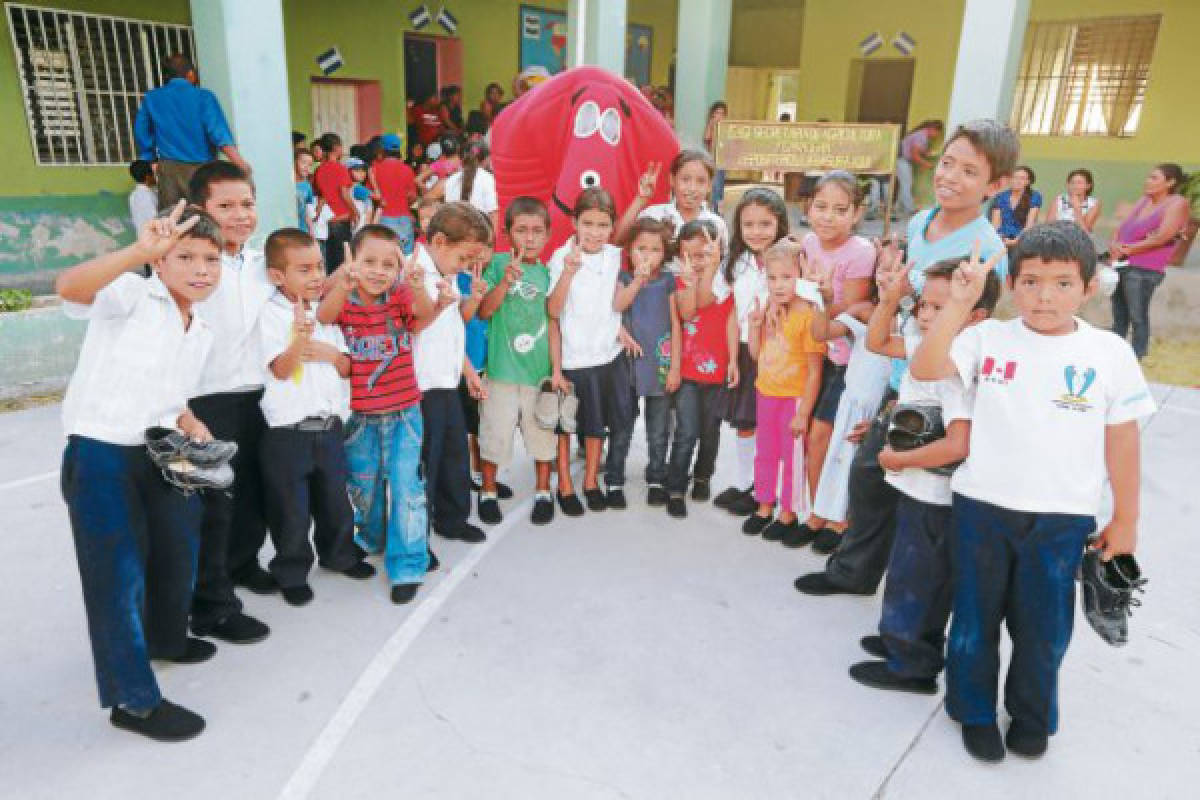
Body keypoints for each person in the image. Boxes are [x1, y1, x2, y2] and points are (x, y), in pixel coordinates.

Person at [910, 222, 1156, 762]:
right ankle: (973, 711)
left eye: (1063, 283)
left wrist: (1126, 521)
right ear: (1013, 284)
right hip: (981, 509)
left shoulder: (1109, 353)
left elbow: (1123, 442)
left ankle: (1032, 715)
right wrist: (959, 302)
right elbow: (926, 367)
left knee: (1045, 630)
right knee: (975, 620)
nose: (1045, 296)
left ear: (1090, 288)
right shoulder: (985, 338)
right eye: (1031, 282)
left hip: (1063, 519)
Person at [794, 118, 1015, 598]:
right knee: (870, 474)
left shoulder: (987, 249)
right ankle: (855, 573)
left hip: (941, 389)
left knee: (919, 497)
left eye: (969, 171)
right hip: (900, 372)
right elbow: (901, 304)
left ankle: (907, 601)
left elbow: (976, 327)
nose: (950, 176)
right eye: (947, 163)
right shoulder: (920, 222)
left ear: (995, 186)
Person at [56, 202, 222, 741]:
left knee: (177, 550)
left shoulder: (200, 326)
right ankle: (134, 700)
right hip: (102, 451)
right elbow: (69, 288)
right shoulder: (131, 294)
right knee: (116, 577)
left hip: (161, 451)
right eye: (186, 256)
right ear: (161, 258)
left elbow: (172, 395)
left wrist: (190, 419)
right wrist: (137, 253)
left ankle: (167, 638)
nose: (201, 269)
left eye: (212, 258)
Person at [848, 258, 998, 696]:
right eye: (923, 306)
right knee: (907, 571)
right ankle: (902, 637)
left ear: (974, 316)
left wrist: (900, 461)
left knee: (921, 579)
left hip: (936, 495)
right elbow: (876, 341)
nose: (926, 315)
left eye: (940, 307)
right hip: (917, 488)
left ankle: (911, 663)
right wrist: (891, 299)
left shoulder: (955, 370)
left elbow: (959, 445)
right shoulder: (928, 344)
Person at [317, 225, 440, 604]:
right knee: (364, 489)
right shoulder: (345, 301)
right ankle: (372, 538)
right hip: (359, 419)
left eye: (389, 263)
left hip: (404, 414)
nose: (378, 270)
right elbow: (323, 314)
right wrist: (343, 282)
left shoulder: (401, 295)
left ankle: (408, 562)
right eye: (368, 261)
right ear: (351, 260)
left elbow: (424, 314)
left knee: (406, 490)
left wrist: (416, 284)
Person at [257, 228, 375, 607]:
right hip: (288, 434)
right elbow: (279, 368)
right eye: (303, 269)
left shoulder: (325, 313)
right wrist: (300, 342)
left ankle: (338, 553)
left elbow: (346, 366)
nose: (315, 276)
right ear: (278, 276)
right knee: (291, 508)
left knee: (334, 500)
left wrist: (328, 352)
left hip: (329, 428)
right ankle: (291, 570)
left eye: (319, 267)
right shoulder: (270, 315)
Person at [186, 161, 274, 644]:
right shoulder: (192, 263)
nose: (239, 215)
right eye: (226, 206)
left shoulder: (262, 263)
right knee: (212, 501)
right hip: (204, 397)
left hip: (257, 393)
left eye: (247, 204)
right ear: (202, 209)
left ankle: (243, 564)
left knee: (252, 491)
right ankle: (211, 606)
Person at [794, 171, 876, 549]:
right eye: (821, 206)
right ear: (809, 207)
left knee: (828, 435)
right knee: (808, 435)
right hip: (813, 353)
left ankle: (837, 518)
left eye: (840, 209)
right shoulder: (809, 242)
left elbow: (854, 309)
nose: (828, 216)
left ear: (857, 213)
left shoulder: (861, 252)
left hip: (845, 359)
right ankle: (815, 509)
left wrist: (826, 297)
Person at [699, 188, 790, 517]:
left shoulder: (791, 260)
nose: (757, 232)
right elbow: (725, 308)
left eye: (765, 224)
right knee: (745, 423)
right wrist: (733, 360)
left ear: (780, 224)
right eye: (749, 224)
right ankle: (747, 483)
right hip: (742, 351)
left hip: (778, 353)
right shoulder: (735, 263)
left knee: (772, 424)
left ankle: (771, 490)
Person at [546, 188, 632, 514]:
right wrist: (568, 271)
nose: (595, 232)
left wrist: (639, 196)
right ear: (574, 223)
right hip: (572, 358)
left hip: (606, 357)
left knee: (597, 427)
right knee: (566, 427)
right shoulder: (561, 257)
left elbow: (610, 304)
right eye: (588, 224)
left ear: (611, 227)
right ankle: (565, 484)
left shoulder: (613, 255)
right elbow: (553, 311)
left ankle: (591, 480)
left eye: (602, 225)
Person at [476, 197, 558, 526]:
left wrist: (556, 370)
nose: (529, 238)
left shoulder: (548, 274)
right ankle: (488, 491)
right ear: (508, 234)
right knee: (495, 435)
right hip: (500, 370)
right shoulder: (497, 265)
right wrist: (506, 282)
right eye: (521, 230)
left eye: (537, 231)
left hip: (537, 373)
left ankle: (542, 491)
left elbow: (553, 322)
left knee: (541, 435)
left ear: (548, 235)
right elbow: (484, 311)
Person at [413, 203, 492, 544]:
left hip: (448, 381)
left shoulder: (445, 273)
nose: (465, 267)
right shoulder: (414, 275)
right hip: (420, 387)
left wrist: (468, 371)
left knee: (453, 455)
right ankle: (418, 535)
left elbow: (452, 329)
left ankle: (452, 518)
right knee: (423, 466)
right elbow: (416, 326)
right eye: (463, 258)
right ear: (441, 241)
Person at [807, 246, 892, 546]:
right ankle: (830, 515)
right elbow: (821, 333)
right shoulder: (863, 311)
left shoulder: (911, 320)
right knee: (839, 457)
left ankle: (848, 524)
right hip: (851, 398)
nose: (888, 276)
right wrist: (824, 301)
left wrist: (885, 414)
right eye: (883, 268)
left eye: (897, 270)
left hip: (879, 405)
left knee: (863, 469)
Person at [741, 242, 825, 541]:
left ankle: (788, 513)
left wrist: (803, 413)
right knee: (765, 452)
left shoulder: (810, 315)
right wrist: (754, 326)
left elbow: (816, 370)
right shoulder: (768, 309)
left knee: (792, 458)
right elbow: (756, 354)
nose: (778, 285)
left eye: (786, 277)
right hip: (766, 392)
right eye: (772, 278)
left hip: (794, 397)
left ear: (800, 275)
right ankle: (764, 504)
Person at [664, 220, 734, 518]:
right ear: (680, 254)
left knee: (710, 432)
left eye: (704, 254)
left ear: (718, 252)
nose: (696, 261)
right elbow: (689, 311)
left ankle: (703, 476)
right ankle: (676, 487)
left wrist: (733, 361)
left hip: (717, 374)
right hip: (690, 373)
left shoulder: (727, 282)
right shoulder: (680, 282)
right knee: (686, 431)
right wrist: (675, 368)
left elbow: (732, 321)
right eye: (689, 255)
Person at [609, 218, 680, 507]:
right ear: (629, 250)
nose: (647, 255)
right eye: (641, 249)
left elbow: (675, 323)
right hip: (627, 363)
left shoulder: (667, 281)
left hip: (660, 364)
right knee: (622, 425)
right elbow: (617, 306)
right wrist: (638, 280)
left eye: (655, 250)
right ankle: (614, 479)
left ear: (664, 254)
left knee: (659, 427)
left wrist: (675, 365)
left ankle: (656, 477)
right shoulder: (624, 278)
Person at [134, 53, 250, 208]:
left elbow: (142, 131)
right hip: (202, 169)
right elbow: (218, 133)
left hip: (169, 169)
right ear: (190, 74)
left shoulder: (152, 98)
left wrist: (152, 159)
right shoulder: (203, 97)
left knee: (173, 219)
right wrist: (239, 163)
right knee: (204, 218)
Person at [1109, 163, 1191, 360]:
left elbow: (1162, 236)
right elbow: (1124, 226)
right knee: (1119, 313)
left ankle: (1138, 355)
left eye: (1154, 178)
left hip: (1145, 269)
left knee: (1137, 315)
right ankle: (1113, 354)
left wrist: (1128, 249)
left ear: (1170, 182)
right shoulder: (1144, 200)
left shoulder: (1177, 203)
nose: (1148, 181)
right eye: (1148, 177)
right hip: (1122, 263)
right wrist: (1114, 244)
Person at [615, 150, 728, 245]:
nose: (692, 188)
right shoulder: (654, 215)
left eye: (701, 181)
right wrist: (641, 199)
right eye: (685, 179)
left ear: (709, 186)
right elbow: (618, 241)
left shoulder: (717, 224)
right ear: (672, 180)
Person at [312, 134, 358, 272]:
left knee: (330, 262)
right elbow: (344, 193)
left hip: (327, 221)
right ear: (337, 148)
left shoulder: (318, 170)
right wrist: (354, 212)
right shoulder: (340, 169)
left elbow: (318, 195)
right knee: (343, 261)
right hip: (342, 218)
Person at [371, 133, 418, 253]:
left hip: (383, 218)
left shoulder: (374, 169)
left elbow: (371, 196)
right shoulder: (407, 169)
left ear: (382, 149)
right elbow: (413, 196)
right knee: (405, 257)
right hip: (404, 219)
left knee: (385, 256)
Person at [443, 140, 499, 231]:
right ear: (486, 159)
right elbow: (493, 214)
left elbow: (448, 213)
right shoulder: (487, 179)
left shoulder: (450, 180)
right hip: (480, 236)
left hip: (456, 234)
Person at [894, 120, 943, 219]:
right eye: (938, 133)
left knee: (904, 184)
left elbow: (917, 150)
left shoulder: (920, 135)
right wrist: (927, 164)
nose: (937, 136)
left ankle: (898, 208)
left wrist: (926, 153)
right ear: (933, 130)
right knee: (907, 184)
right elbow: (915, 155)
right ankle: (910, 209)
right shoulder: (921, 136)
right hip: (901, 160)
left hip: (901, 160)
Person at [990, 165, 1041, 247]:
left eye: (1022, 178)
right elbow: (995, 225)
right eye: (1015, 177)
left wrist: (1015, 241)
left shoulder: (1034, 196)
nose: (1017, 181)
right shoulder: (1000, 196)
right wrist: (1000, 239)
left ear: (1028, 182)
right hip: (1001, 239)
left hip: (1023, 239)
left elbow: (1029, 225)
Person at [1049, 168, 1101, 233]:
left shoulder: (1093, 203)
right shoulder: (1059, 200)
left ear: (1088, 186)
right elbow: (1048, 226)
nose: (1075, 186)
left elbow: (1085, 232)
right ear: (1067, 185)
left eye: (1079, 183)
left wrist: (1077, 209)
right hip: (1058, 237)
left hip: (1078, 239)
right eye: (1072, 183)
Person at [703, 102, 728, 212]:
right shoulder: (712, 124)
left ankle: (719, 210)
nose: (720, 115)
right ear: (713, 114)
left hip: (723, 160)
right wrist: (712, 124)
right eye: (717, 112)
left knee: (720, 186)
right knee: (715, 185)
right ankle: (713, 209)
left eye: (722, 113)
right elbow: (706, 138)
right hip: (713, 160)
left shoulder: (726, 126)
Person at [128, 160, 158, 234]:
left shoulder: (133, 195)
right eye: (154, 174)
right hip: (152, 238)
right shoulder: (147, 197)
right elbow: (155, 219)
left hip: (142, 236)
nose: (156, 177)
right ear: (148, 177)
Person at [294, 148, 316, 233]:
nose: (307, 167)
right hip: (287, 230)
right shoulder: (286, 183)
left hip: (302, 231)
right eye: (303, 162)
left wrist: (311, 232)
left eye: (310, 165)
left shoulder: (307, 186)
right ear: (294, 162)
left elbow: (307, 212)